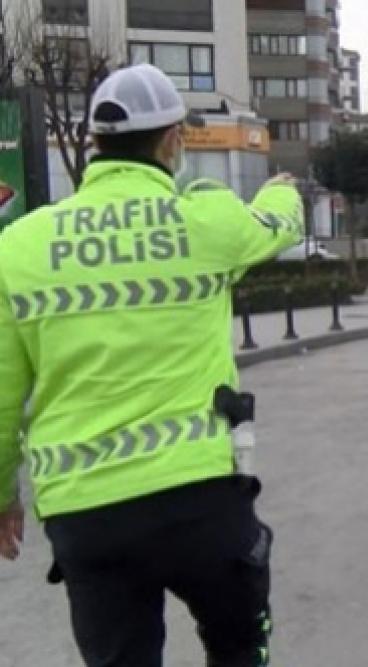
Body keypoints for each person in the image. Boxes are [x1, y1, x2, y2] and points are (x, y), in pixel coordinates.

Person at [0, 64, 303, 666]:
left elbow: (3, 398)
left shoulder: (19, 247)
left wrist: (2, 495)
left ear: (93, 144)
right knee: (240, 642)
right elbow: (279, 224)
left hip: (87, 516)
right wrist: (281, 187)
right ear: (172, 141)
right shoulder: (206, 222)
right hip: (200, 503)